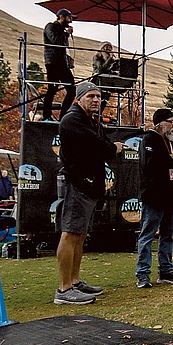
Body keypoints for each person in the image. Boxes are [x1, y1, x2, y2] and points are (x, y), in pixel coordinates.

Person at [54, 82, 124, 304]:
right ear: (79, 98)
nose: (96, 100)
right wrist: (114, 148)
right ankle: (64, 289)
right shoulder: (72, 119)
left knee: (80, 234)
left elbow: (102, 143)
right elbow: (101, 146)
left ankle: (74, 281)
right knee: (70, 233)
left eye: (99, 97)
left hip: (89, 183)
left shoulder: (89, 120)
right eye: (91, 96)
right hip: (78, 183)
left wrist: (109, 147)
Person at [135, 108, 173, 288]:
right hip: (154, 195)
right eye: (170, 121)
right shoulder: (149, 139)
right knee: (148, 234)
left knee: (167, 236)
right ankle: (143, 273)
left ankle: (166, 270)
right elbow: (150, 166)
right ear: (160, 123)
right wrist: (172, 159)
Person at [40, 8, 76, 122]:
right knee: (52, 89)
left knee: (72, 90)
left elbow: (64, 48)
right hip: (53, 62)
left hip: (62, 63)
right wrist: (66, 34)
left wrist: (68, 59)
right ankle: (46, 116)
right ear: (61, 16)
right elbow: (55, 41)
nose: (70, 21)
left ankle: (63, 116)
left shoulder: (62, 31)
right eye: (69, 18)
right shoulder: (50, 26)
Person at [92, 42, 122, 110]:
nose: (108, 49)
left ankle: (99, 114)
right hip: (97, 81)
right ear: (102, 48)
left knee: (105, 98)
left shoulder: (110, 59)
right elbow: (101, 69)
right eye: (106, 47)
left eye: (110, 47)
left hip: (107, 82)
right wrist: (110, 59)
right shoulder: (97, 56)